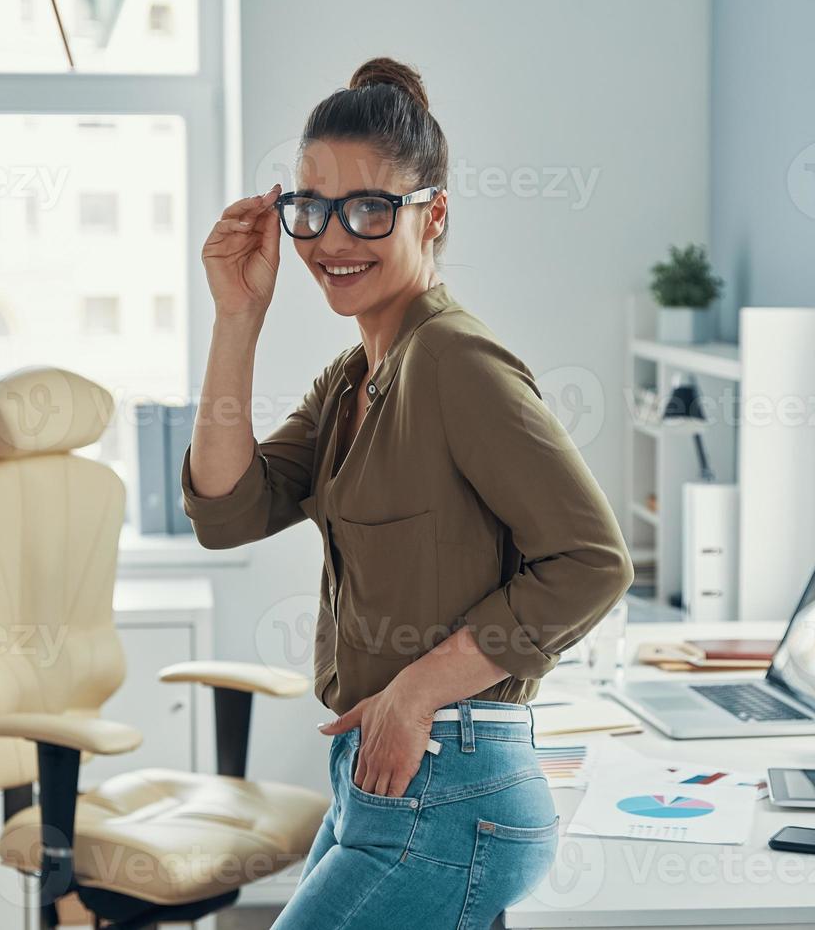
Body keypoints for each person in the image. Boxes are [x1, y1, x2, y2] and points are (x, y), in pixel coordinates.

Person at [182, 56, 633, 929]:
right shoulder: (355, 376)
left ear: (435, 215)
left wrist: (418, 688)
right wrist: (237, 318)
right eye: (310, 208)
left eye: (371, 209)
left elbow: (591, 562)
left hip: (449, 789)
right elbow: (226, 510)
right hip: (381, 782)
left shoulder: (454, 362)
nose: (332, 239)